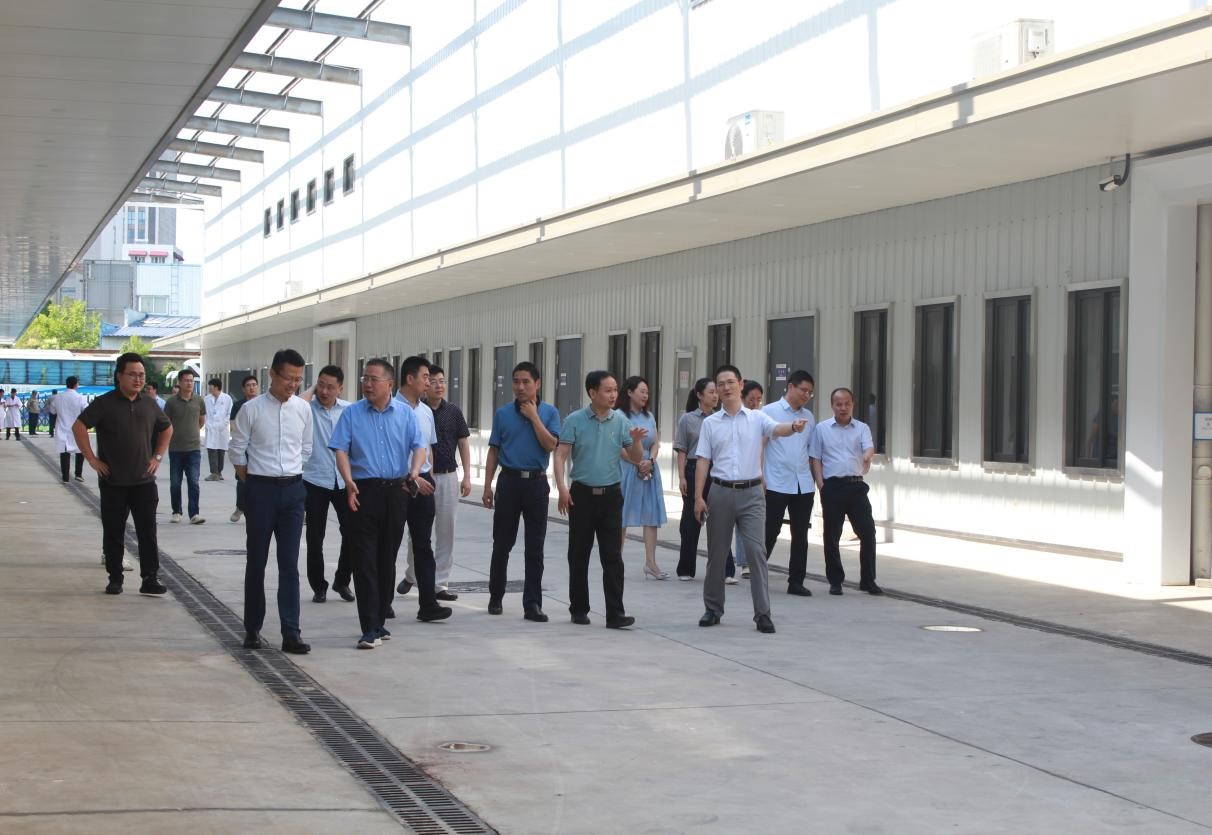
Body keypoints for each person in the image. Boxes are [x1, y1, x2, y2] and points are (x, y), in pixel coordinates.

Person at [694, 365, 807, 634]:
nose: (726, 387)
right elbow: (703, 460)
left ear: (740, 384)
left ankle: (763, 614)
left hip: (752, 493)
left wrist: (793, 427)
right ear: (717, 389)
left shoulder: (757, 418)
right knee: (717, 554)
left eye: (731, 382)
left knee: (757, 553)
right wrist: (698, 496)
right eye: (721, 384)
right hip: (720, 492)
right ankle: (713, 609)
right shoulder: (710, 423)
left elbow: (777, 429)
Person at [329, 358, 427, 650]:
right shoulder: (352, 414)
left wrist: (414, 472)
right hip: (363, 491)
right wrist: (348, 481)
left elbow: (419, 447)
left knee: (387, 558)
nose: (367, 384)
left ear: (389, 384)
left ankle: (380, 620)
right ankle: (369, 626)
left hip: (396, 491)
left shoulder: (405, 414)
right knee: (364, 559)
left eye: (373, 379)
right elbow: (340, 450)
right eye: (364, 379)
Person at [229, 349, 313, 654]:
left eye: (298, 379)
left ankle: (292, 632)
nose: (293, 384)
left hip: (293, 492)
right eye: (288, 378)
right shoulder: (251, 410)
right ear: (273, 374)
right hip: (260, 491)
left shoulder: (303, 409)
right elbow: (237, 450)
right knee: (257, 561)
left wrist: (290, 473)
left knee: (289, 564)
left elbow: (306, 448)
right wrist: (252, 481)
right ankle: (252, 628)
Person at [74, 353, 172, 596]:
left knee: (147, 532)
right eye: (133, 375)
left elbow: (167, 428)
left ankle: (150, 578)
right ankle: (115, 578)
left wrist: (157, 456)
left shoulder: (149, 403)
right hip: (113, 481)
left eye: (142, 375)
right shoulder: (104, 403)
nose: (138, 379)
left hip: (144, 481)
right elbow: (79, 426)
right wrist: (92, 459)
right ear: (119, 376)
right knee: (114, 532)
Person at [554, 370, 646, 629]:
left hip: (611, 496)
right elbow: (560, 455)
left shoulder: (620, 421)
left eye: (615, 389)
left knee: (613, 556)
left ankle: (615, 614)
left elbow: (635, 458)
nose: (613, 394)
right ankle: (579, 609)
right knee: (578, 554)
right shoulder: (575, 420)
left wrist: (637, 441)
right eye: (607, 390)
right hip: (581, 495)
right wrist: (562, 488)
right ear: (592, 393)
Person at [483, 361, 561, 620]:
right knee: (502, 543)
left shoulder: (550, 413)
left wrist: (534, 417)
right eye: (516, 381)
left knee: (535, 547)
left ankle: (532, 604)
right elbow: (494, 450)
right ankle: (496, 596)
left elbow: (551, 445)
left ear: (537, 384)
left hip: (536, 484)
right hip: (509, 482)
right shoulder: (503, 413)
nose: (520, 387)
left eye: (526, 382)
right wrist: (487, 486)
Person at [392, 356, 451, 623]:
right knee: (389, 544)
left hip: (424, 481)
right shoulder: (390, 409)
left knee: (423, 545)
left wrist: (430, 477)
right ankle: (382, 603)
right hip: (397, 483)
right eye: (426, 377)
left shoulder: (426, 411)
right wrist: (408, 479)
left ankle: (428, 604)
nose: (429, 382)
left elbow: (428, 449)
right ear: (410, 378)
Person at [810, 387, 880, 595]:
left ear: (852, 405)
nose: (843, 407)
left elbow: (869, 448)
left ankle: (868, 580)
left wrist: (867, 456)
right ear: (832, 406)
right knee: (832, 535)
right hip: (832, 487)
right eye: (838, 404)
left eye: (847, 403)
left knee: (868, 532)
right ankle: (835, 580)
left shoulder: (862, 428)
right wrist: (821, 484)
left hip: (856, 486)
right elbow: (815, 458)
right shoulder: (821, 429)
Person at [299, 366, 355, 604]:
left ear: (340, 389)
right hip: (315, 479)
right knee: (315, 537)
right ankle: (318, 586)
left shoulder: (349, 410)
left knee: (352, 533)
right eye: (320, 385)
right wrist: (313, 388)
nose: (324, 391)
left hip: (344, 481)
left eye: (330, 387)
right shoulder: (307, 408)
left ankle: (342, 580)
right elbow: (295, 403)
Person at [762, 370, 817, 598]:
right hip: (776, 482)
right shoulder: (769, 412)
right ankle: (757, 572)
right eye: (803, 390)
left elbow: (811, 450)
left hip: (803, 484)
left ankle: (796, 581)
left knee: (801, 534)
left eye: (810, 392)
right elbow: (760, 445)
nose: (806, 395)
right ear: (791, 387)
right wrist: (760, 475)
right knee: (770, 530)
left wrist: (816, 480)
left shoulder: (809, 417)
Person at [674, 378, 734, 582]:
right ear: (699, 395)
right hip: (693, 469)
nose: (716, 395)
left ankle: (726, 571)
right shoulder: (687, 419)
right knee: (691, 521)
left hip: (717, 470)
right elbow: (682, 450)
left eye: (716, 392)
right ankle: (685, 569)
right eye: (711, 392)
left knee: (720, 520)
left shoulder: (722, 418)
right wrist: (682, 476)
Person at [423, 364, 472, 598]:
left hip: (448, 476)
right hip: (423, 478)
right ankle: (413, 574)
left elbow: (463, 443)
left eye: (442, 381)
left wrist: (467, 476)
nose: (439, 386)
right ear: (425, 385)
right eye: (434, 382)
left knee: (446, 530)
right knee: (419, 530)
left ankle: (440, 584)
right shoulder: (418, 410)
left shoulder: (453, 411)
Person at [616, 376, 668, 579]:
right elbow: (618, 446)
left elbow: (655, 442)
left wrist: (650, 461)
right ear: (629, 392)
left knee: (651, 515)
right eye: (642, 391)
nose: (646, 395)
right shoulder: (619, 416)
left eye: (647, 392)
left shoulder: (649, 416)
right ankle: (616, 562)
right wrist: (637, 463)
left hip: (649, 469)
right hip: (628, 467)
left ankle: (651, 563)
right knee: (621, 516)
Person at [163, 369, 206, 524]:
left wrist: (192, 432)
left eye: (191, 380)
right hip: (176, 448)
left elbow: (201, 420)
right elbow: (166, 422)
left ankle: (194, 514)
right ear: (180, 382)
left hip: (194, 449)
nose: (189, 383)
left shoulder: (199, 400)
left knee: (193, 481)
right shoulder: (171, 402)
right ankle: (176, 511)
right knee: (175, 482)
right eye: (186, 380)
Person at [734, 380, 764, 579]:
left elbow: (762, 449)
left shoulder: (760, 419)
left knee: (751, 522)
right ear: (742, 398)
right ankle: (742, 562)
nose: (755, 404)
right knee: (736, 522)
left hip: (754, 478)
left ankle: (749, 562)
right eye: (751, 400)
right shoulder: (734, 419)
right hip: (733, 478)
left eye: (758, 400)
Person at [228, 375, 259, 522]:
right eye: (248, 385)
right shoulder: (238, 405)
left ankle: (256, 509)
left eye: (254, 385)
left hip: (259, 448)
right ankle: (240, 507)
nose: (251, 387)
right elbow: (233, 424)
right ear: (243, 389)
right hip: (243, 447)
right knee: (242, 479)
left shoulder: (262, 404)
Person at [52, 378, 87, 482]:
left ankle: (65, 477)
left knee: (64, 452)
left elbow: (52, 411)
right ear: (76, 385)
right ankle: (78, 474)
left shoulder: (58, 397)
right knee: (80, 450)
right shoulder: (80, 398)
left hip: (62, 427)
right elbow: (86, 410)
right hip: (77, 428)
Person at [204, 378, 233, 481]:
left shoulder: (227, 398)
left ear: (216, 387)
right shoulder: (207, 399)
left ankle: (219, 472)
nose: (209, 389)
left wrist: (222, 424)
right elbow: (204, 413)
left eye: (211, 387)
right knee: (211, 450)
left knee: (221, 451)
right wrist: (207, 424)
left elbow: (229, 414)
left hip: (222, 429)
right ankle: (214, 473)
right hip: (210, 428)